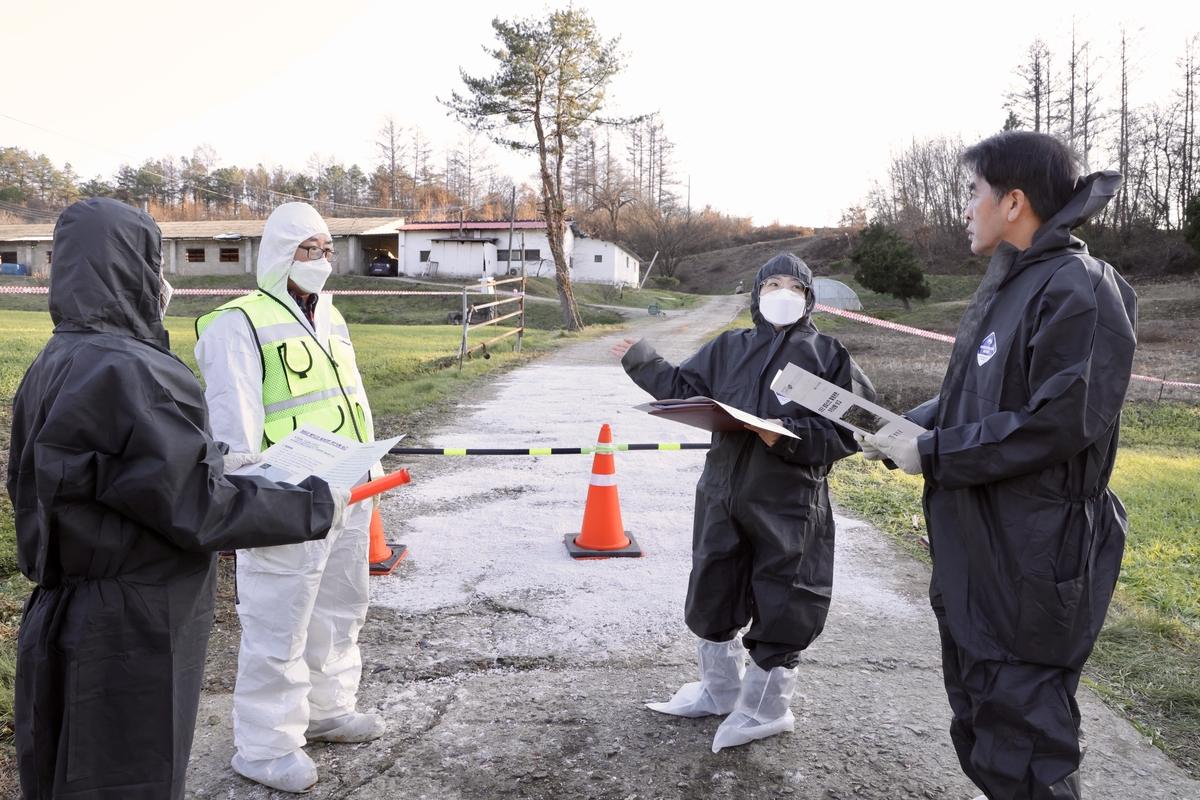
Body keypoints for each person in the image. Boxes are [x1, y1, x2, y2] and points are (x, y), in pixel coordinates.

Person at [7, 197, 349, 800]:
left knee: (66, 765)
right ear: (130, 268)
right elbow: (195, 506)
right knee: (129, 770)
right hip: (133, 617)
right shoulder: (131, 368)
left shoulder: (56, 360)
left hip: (67, 601)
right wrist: (312, 507)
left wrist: (212, 460)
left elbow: (120, 475)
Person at [864, 131, 1137, 800]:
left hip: (1035, 555)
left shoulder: (1081, 288)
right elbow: (976, 397)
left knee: (1025, 742)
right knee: (986, 725)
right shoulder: (1011, 284)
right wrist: (900, 427)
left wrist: (931, 452)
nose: (965, 208)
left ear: (1013, 201)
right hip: (980, 544)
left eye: (972, 192)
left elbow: (1058, 422)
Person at [612, 253, 872, 753]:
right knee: (713, 584)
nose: (781, 292)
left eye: (792, 285)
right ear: (755, 293)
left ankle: (766, 709)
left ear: (808, 296)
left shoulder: (830, 355)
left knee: (786, 596)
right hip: (723, 489)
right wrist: (642, 360)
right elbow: (684, 389)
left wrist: (786, 436)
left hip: (790, 502)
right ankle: (720, 690)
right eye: (771, 283)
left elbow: (852, 431)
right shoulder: (730, 345)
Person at [195, 202, 382, 793]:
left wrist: (373, 462)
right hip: (285, 495)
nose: (323, 260)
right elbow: (233, 421)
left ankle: (328, 710)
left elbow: (349, 396)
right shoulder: (238, 322)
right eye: (310, 248)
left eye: (328, 249)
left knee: (341, 606)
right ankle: (265, 745)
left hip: (350, 486)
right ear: (279, 252)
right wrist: (250, 497)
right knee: (279, 619)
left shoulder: (332, 315)